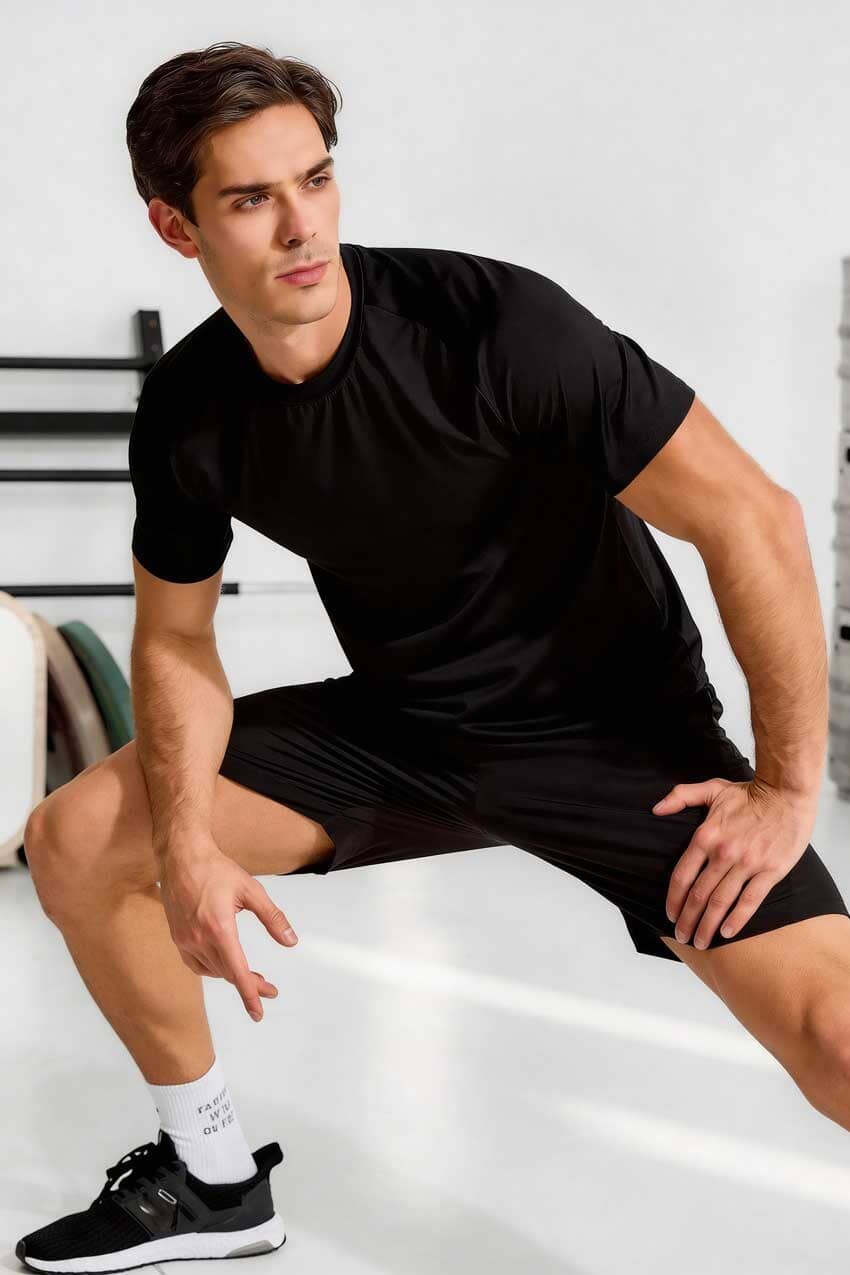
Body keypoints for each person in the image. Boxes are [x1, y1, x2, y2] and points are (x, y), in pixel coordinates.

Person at [16, 38, 850, 1272]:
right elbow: (178, 636)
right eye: (251, 198)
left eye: (316, 179)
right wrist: (185, 845)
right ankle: (213, 1183)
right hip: (401, 731)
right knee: (81, 838)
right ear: (175, 226)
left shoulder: (491, 325)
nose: (302, 226)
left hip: (613, 743)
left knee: (836, 1041)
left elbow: (752, 518)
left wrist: (783, 788)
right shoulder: (191, 410)